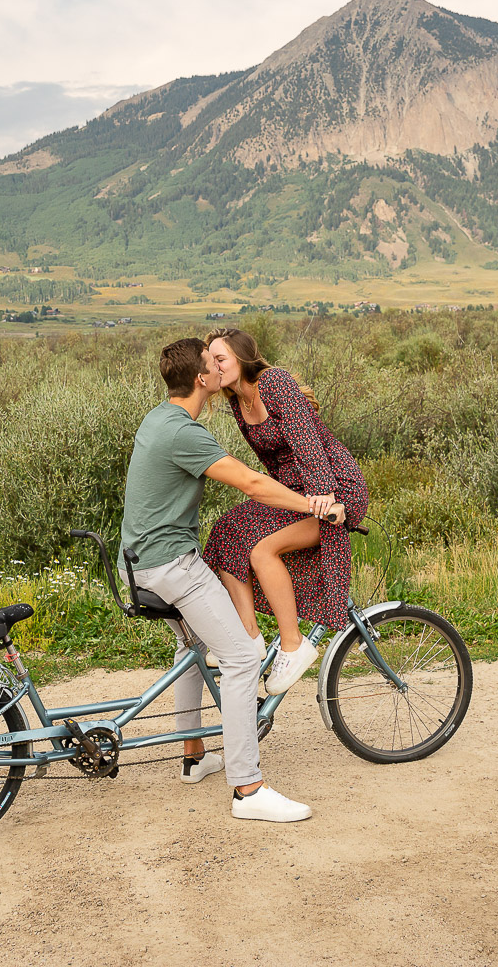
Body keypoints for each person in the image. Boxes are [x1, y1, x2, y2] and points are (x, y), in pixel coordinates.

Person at [121, 338, 343, 823]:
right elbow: (252, 483)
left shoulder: (160, 418)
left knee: (194, 646)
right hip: (170, 565)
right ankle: (248, 788)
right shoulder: (185, 433)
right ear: (202, 379)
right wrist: (315, 505)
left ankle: (194, 756)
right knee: (242, 658)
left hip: (140, 564)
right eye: (211, 362)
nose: (218, 366)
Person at [199, 328, 367, 696]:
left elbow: (307, 440)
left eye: (221, 358)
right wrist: (280, 497)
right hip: (294, 493)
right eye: (210, 360)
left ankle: (293, 646)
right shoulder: (237, 402)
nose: (214, 365)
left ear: (241, 359)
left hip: (335, 487)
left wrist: (323, 493)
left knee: (262, 551)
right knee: (227, 531)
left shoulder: (274, 382)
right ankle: (249, 638)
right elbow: (271, 463)